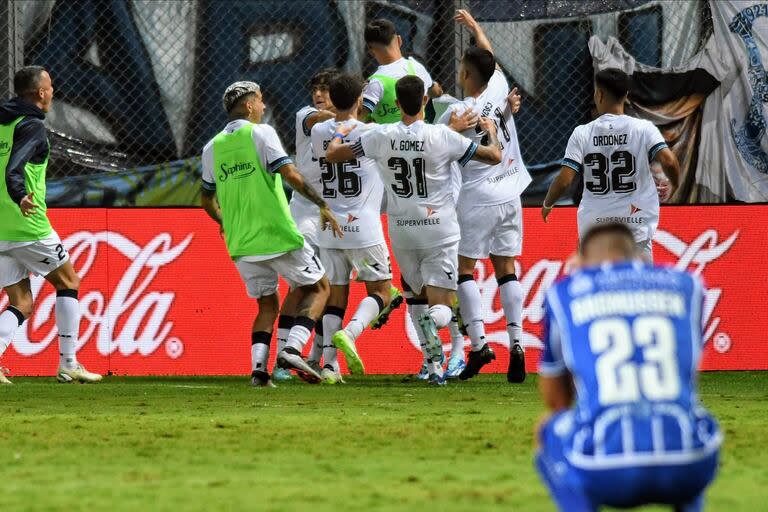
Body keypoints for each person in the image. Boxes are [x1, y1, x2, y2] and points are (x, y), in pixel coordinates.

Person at [326, 75, 501, 385]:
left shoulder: (380, 136)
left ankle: (434, 369)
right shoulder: (442, 137)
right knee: (442, 306)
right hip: (439, 230)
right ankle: (437, 336)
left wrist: (339, 133)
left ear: (395, 105)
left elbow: (334, 155)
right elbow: (493, 157)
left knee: (415, 297)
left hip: (402, 229)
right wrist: (492, 133)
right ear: (425, 101)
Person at [536, 222, 721, 511]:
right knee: (692, 424)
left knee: (549, 428)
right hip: (689, 467)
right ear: (637, 256)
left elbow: (556, 401)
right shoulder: (688, 285)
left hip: (605, 472)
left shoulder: (565, 293)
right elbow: (687, 376)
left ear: (582, 262)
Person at [200, 81, 342, 387]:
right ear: (250, 106)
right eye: (261, 102)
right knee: (319, 288)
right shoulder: (261, 133)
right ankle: (292, 349)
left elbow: (206, 199)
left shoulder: (211, 147)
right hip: (276, 234)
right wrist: (322, 204)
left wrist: (224, 220)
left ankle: (259, 373)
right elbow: (289, 173)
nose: (264, 108)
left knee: (267, 305)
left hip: (241, 243)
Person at [437, 9, 531, 383]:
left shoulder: (461, 113)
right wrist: (476, 28)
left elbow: (436, 142)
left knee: (464, 270)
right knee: (506, 269)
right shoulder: (498, 86)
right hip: (511, 193)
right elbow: (487, 55)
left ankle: (479, 346)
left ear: (465, 75)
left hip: (476, 199)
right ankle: (518, 343)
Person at [0, 66, 102, 384]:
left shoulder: (4, 123)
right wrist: (20, 195)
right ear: (41, 93)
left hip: (1, 227)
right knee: (69, 280)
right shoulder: (31, 126)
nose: (53, 90)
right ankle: (69, 362)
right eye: (50, 86)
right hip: (27, 224)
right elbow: (14, 170)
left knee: (21, 303)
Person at [311, 72, 401, 381]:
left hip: (330, 226)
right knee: (383, 291)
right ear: (361, 101)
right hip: (363, 226)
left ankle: (328, 365)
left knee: (336, 295)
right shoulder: (373, 133)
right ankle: (350, 333)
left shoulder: (319, 131)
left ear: (332, 100)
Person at [541, 68, 680, 261]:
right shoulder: (644, 128)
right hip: (635, 225)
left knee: (596, 288)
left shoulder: (582, 133)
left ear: (599, 94)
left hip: (595, 227)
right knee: (640, 287)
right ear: (626, 96)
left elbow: (565, 180)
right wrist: (675, 183)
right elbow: (669, 160)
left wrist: (548, 203)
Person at [275, 68, 339, 382]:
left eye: (325, 89)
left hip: (335, 213)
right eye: (316, 88)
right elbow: (320, 120)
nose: (318, 94)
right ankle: (285, 355)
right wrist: (351, 105)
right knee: (306, 285)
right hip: (305, 212)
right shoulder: (307, 115)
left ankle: (321, 358)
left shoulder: (347, 123)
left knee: (328, 286)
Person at [360, 19, 442, 123]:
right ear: (399, 40)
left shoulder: (374, 82)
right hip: (419, 137)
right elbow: (436, 92)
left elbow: (358, 120)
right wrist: (437, 89)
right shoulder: (417, 68)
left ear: (371, 51)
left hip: (387, 138)